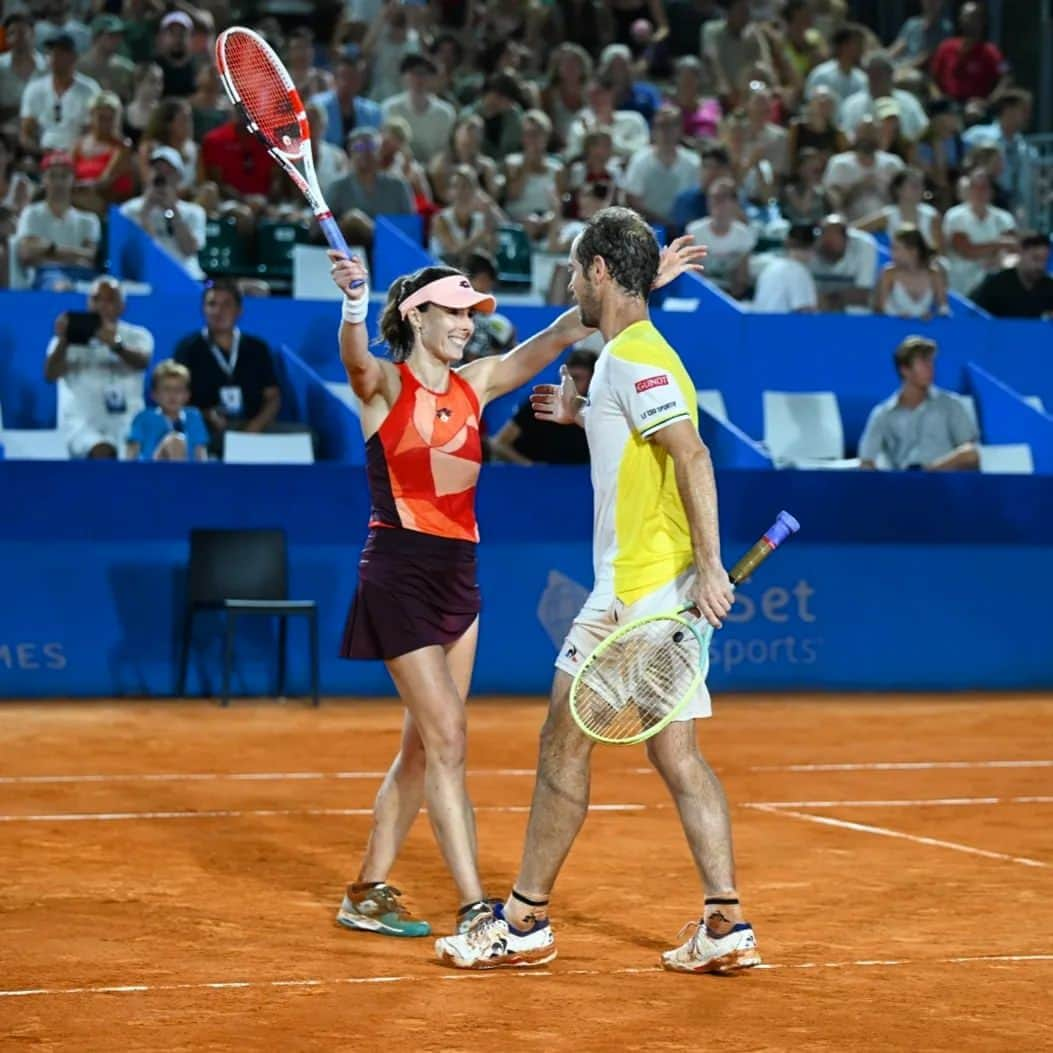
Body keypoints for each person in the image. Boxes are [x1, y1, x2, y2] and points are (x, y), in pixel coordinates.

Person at [325, 224, 705, 940]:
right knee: (449, 738)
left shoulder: (476, 383)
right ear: (416, 315)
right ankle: (476, 904)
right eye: (455, 312)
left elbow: (563, 333)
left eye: (473, 314)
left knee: (421, 746)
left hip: (457, 576)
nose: (469, 326)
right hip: (399, 571)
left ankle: (366, 888)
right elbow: (355, 361)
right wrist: (352, 304)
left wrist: (638, 285)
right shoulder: (384, 385)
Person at [433, 206, 756, 975]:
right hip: (658, 587)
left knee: (561, 740)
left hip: (632, 593)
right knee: (677, 753)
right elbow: (649, 442)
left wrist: (712, 566)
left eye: (578, 270)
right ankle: (724, 921)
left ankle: (523, 919)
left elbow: (693, 455)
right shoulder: (624, 360)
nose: (572, 282)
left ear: (601, 273)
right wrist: (587, 417)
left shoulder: (629, 357)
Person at [43, 275, 153, 459]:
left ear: (122, 306)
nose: (102, 305)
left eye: (110, 299)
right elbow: (50, 374)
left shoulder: (138, 336)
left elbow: (142, 362)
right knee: (102, 451)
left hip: (127, 424)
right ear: (88, 303)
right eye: (96, 299)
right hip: (82, 425)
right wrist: (64, 340)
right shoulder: (66, 342)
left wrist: (116, 345)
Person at [173, 279, 281, 455]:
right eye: (212, 304)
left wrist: (254, 427)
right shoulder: (188, 348)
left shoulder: (257, 348)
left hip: (253, 426)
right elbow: (176, 396)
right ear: (203, 309)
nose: (218, 311)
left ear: (239, 310)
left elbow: (273, 397)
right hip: (208, 429)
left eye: (226, 305)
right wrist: (206, 415)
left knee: (308, 436)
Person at [859, 336, 978, 472]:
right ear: (905, 370)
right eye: (924, 362)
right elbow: (867, 460)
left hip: (944, 484)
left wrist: (930, 471)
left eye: (931, 362)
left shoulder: (951, 405)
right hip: (902, 486)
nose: (931, 368)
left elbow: (971, 453)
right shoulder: (883, 414)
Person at [490, 348, 596, 465]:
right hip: (532, 480)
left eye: (577, 378)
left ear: (593, 381)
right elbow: (498, 444)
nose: (569, 385)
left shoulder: (599, 412)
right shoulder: (540, 403)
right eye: (565, 378)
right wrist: (531, 468)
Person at [13, 150, 101, 290]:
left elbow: (89, 256)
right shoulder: (31, 213)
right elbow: (26, 253)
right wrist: (74, 253)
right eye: (52, 176)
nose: (58, 182)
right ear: (44, 179)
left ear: (72, 179)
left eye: (64, 176)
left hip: (83, 275)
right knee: (59, 286)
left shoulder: (89, 219)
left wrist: (47, 249)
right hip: (45, 275)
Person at [119, 145, 207, 279]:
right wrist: (145, 213)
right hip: (145, 275)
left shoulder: (194, 212)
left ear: (179, 177)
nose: (161, 175)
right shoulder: (129, 209)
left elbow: (190, 250)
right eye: (157, 169)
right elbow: (130, 253)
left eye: (168, 171)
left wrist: (173, 211)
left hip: (184, 275)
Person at [20, 33, 100, 156]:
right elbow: (25, 133)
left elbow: (93, 131)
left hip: (79, 154)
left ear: (74, 57)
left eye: (60, 53)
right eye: (50, 53)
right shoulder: (35, 88)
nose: (54, 57)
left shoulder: (90, 89)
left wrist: (72, 154)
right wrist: (40, 153)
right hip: (42, 153)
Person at [622, 104, 700, 227]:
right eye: (661, 126)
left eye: (671, 126)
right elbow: (632, 200)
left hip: (684, 225)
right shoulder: (639, 160)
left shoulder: (693, 162)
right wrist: (663, 222)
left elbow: (697, 198)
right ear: (653, 130)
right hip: (647, 224)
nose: (666, 131)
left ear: (680, 129)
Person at [942, 168, 1016, 296]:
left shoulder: (1005, 218)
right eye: (974, 187)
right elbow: (966, 250)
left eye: (984, 187)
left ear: (991, 191)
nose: (979, 192)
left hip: (995, 286)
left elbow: (1012, 250)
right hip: (962, 285)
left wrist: (999, 252)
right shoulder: (955, 216)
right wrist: (998, 244)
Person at [126, 359, 210, 461]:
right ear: (155, 394)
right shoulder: (143, 418)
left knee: (176, 441)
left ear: (187, 395)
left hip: (187, 475)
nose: (172, 395)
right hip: (151, 473)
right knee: (174, 441)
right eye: (167, 389)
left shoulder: (194, 417)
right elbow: (131, 456)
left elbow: (201, 455)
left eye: (178, 390)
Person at [930, 2, 1009, 104]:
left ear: (982, 21)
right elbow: (931, 78)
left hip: (975, 109)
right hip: (948, 107)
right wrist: (938, 97)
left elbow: (1006, 77)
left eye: (974, 17)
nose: (969, 21)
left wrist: (988, 103)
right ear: (960, 19)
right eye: (965, 16)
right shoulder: (945, 47)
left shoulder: (991, 52)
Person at [969, 232, 1053, 319]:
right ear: (1021, 252)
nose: (1040, 266)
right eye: (1036, 258)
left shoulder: (1049, 287)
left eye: (1044, 260)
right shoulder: (996, 285)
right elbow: (974, 317)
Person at [875, 224, 949, 319]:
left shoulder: (934, 274)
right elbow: (879, 308)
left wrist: (933, 316)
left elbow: (943, 308)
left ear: (913, 251)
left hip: (925, 331)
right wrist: (897, 315)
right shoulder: (888, 273)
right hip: (893, 330)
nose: (892, 253)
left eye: (896, 249)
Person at [809, 213, 878, 312]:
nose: (827, 247)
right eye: (825, 242)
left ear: (846, 239)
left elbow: (863, 295)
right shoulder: (808, 246)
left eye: (832, 243)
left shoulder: (865, 246)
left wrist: (828, 300)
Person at [751, 221, 818, 313]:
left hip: (759, 325)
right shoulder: (798, 271)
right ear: (813, 246)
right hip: (782, 326)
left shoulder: (770, 267)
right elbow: (804, 312)